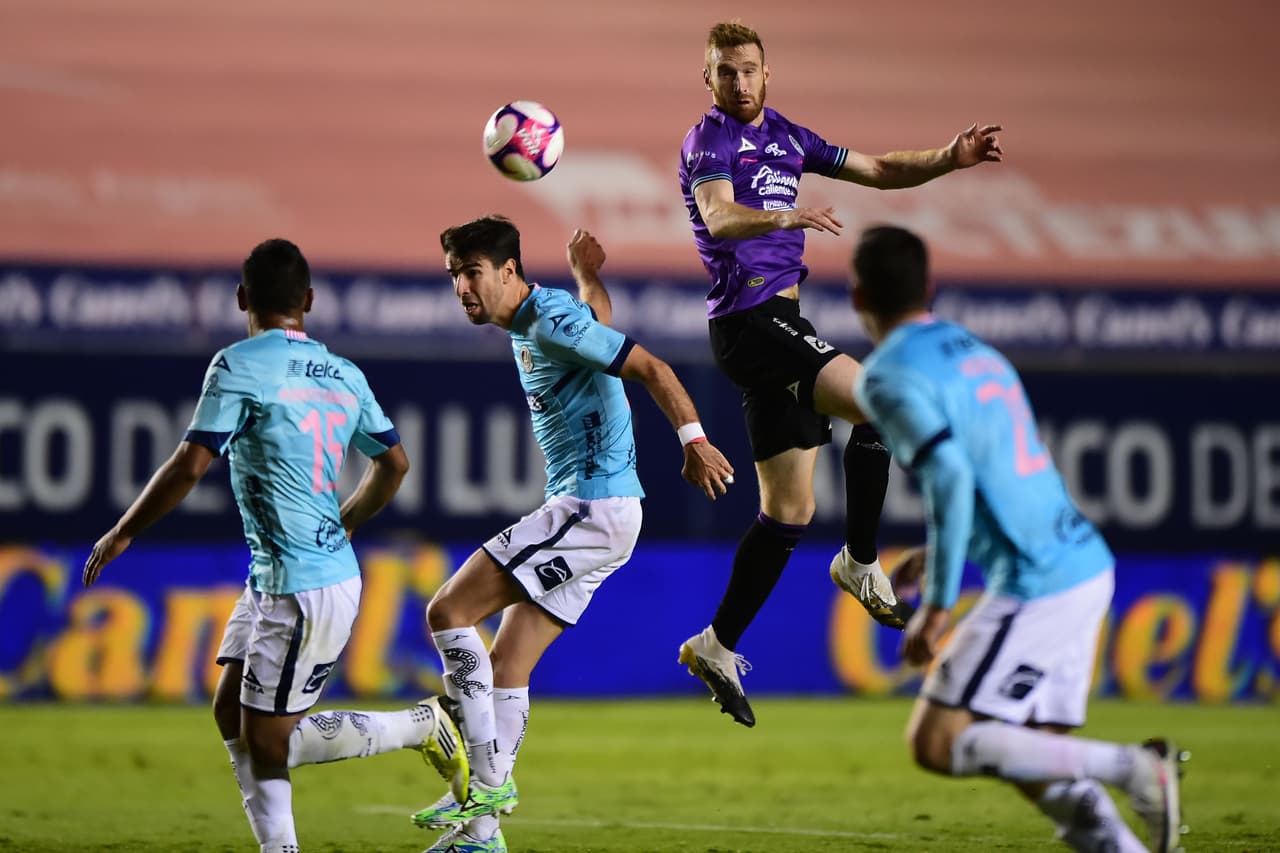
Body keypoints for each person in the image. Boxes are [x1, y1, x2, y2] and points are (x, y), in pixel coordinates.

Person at [82, 238, 469, 853]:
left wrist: (123, 529)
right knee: (231, 715)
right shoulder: (344, 373)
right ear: (309, 301)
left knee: (269, 740)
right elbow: (394, 463)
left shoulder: (236, 364)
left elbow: (189, 466)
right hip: (285, 574)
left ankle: (421, 725)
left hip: (301, 586)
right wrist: (348, 521)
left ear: (243, 299)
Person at [676, 20, 1005, 727]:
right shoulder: (708, 141)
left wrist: (951, 155)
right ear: (707, 81)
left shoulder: (792, 137)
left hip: (775, 329)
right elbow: (718, 215)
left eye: (747, 70)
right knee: (883, 403)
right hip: (751, 321)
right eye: (724, 72)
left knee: (789, 512)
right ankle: (860, 560)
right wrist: (783, 213)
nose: (737, 82)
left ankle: (716, 642)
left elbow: (881, 170)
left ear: (769, 75)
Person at [849, 224, 1187, 853]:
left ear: (857, 297)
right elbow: (999, 467)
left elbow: (949, 474)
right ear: (930, 287)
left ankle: (1136, 768)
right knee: (1037, 755)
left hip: (1036, 582)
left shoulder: (885, 376)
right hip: (1082, 561)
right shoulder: (975, 350)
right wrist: (941, 552)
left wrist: (939, 605)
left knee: (938, 741)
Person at [408, 217, 733, 853]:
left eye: (471, 273)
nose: (461, 288)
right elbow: (601, 331)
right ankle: (482, 835)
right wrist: (589, 276)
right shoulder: (545, 316)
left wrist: (693, 441)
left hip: (591, 507)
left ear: (507, 271)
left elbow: (652, 367)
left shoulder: (546, 322)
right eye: (454, 275)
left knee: (448, 610)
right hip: (603, 515)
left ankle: (483, 784)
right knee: (506, 665)